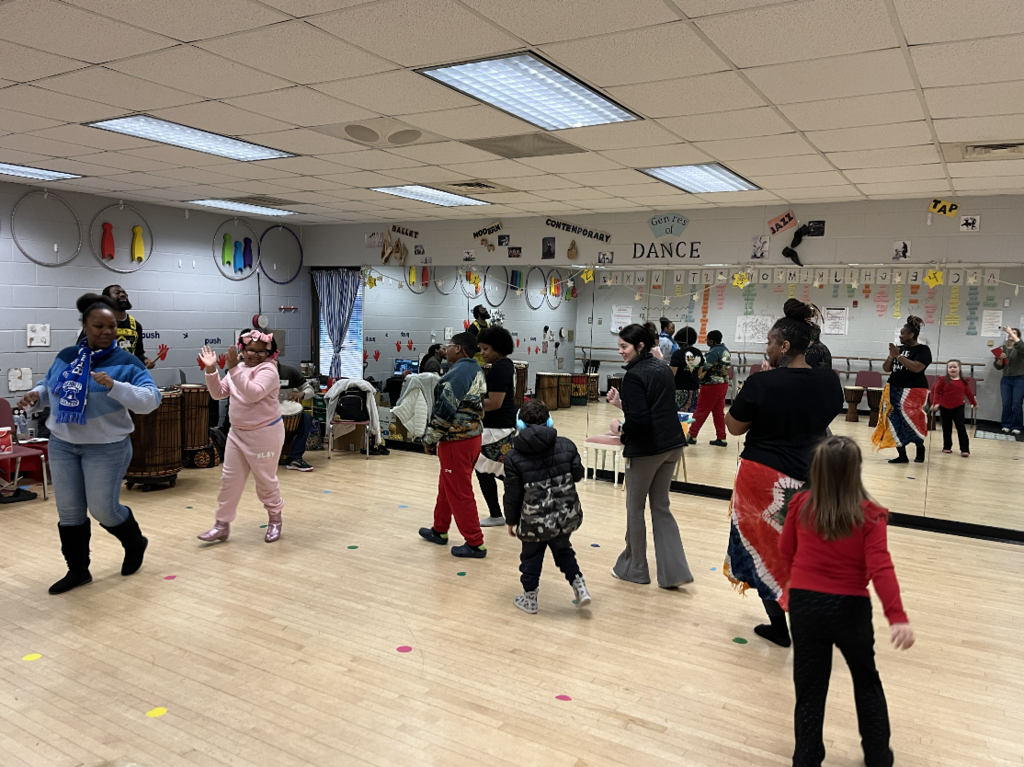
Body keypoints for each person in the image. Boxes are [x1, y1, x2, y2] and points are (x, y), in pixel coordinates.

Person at [780, 436, 914, 767]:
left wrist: (793, 583)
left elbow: (785, 551)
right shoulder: (871, 515)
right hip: (850, 609)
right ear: (857, 470)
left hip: (806, 606)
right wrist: (897, 616)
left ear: (817, 469)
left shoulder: (800, 504)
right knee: (866, 680)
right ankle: (878, 755)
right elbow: (880, 566)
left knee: (809, 688)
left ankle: (807, 757)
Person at [19, 293, 161, 594]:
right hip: (62, 443)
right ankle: (78, 570)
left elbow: (151, 400)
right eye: (99, 326)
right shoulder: (67, 355)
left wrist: (115, 386)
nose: (107, 332)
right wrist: (36, 395)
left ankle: (135, 542)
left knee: (103, 510)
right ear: (84, 326)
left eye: (112, 327)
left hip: (107, 447)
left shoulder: (127, 362)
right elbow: (49, 385)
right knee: (69, 513)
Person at [724, 299, 844, 647]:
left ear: (785, 346)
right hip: (811, 475)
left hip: (763, 479)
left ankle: (780, 627)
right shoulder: (829, 381)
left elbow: (734, 427)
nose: (768, 349)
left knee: (764, 550)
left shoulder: (762, 383)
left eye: (770, 343)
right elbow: (822, 419)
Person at [605, 324, 692, 588]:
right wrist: (622, 404)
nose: (620, 351)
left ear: (640, 346)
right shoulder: (661, 367)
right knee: (661, 507)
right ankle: (674, 573)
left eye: (624, 347)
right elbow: (655, 407)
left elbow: (640, 422)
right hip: (672, 445)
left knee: (635, 508)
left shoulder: (633, 376)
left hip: (647, 450)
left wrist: (621, 429)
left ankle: (636, 569)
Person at [197, 330, 285, 544]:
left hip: (264, 433)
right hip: (237, 434)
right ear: (242, 350)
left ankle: (275, 519)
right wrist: (211, 369)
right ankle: (221, 525)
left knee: (265, 481)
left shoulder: (269, 370)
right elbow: (218, 393)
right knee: (229, 481)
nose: (255, 355)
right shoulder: (238, 369)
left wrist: (233, 368)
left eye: (260, 351)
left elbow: (253, 393)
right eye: (250, 350)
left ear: (269, 353)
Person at [503, 399, 589, 614]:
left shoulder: (513, 457)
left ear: (520, 425)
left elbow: (513, 494)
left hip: (534, 521)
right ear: (550, 421)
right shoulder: (567, 445)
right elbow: (578, 474)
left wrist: (511, 520)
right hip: (565, 516)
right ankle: (579, 586)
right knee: (564, 551)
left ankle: (530, 599)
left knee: (531, 557)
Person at [418, 332, 489, 558]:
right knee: (446, 485)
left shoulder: (456, 375)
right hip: (472, 438)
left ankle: (475, 543)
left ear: (458, 348)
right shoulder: (475, 369)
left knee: (459, 491)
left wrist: (429, 439)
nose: (445, 350)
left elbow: (444, 412)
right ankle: (439, 530)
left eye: (448, 345)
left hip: (457, 441)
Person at [873, 316, 931, 464]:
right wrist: (891, 357)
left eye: (903, 333)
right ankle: (902, 455)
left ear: (911, 334)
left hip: (914, 390)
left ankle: (920, 448)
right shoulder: (899, 349)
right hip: (894, 388)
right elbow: (886, 369)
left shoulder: (923, 350)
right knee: (894, 421)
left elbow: (916, 368)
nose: (900, 336)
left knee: (913, 419)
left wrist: (898, 356)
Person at [476, 326, 517, 527]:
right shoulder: (503, 365)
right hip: (498, 427)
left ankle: (505, 513)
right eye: (481, 348)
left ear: (498, 348)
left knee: (493, 471)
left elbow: (494, 403)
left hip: (497, 429)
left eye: (486, 349)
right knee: (490, 470)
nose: (482, 353)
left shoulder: (501, 369)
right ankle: (500, 513)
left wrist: (468, 404)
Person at [77, 285, 155, 369]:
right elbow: (80, 350)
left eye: (124, 293)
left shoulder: (136, 325)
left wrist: (145, 360)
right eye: (117, 293)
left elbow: (138, 354)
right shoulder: (94, 325)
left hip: (126, 373)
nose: (122, 295)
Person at [688, 330, 731, 446]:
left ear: (712, 341)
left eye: (707, 339)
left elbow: (704, 366)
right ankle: (721, 438)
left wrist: (691, 364)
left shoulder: (714, 351)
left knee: (701, 410)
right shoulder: (725, 350)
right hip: (723, 384)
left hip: (712, 385)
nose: (706, 341)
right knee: (718, 412)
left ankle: (692, 435)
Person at [930, 359, 977, 456]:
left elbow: (969, 393)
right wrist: (935, 403)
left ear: (959, 368)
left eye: (954, 367)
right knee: (946, 427)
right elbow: (935, 391)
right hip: (944, 406)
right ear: (947, 369)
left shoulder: (964, 381)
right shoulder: (942, 380)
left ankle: (965, 449)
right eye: (950, 367)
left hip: (958, 407)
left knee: (960, 427)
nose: (952, 369)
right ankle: (947, 446)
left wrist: (974, 403)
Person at [278, 362, 316, 472]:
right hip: (264, 412)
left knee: (306, 418)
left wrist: (301, 394)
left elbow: (309, 389)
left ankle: (295, 457)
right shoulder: (255, 372)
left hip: (286, 410)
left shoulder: (289, 372)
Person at [994, 326, 1024, 435]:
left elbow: (1021, 346)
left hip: (1020, 379)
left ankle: (1017, 426)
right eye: (1010, 333)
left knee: (1017, 403)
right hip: (1006, 379)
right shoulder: (1002, 349)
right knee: (1006, 403)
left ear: (1018, 336)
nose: (1011, 334)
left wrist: (1010, 331)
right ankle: (1006, 424)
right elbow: (998, 367)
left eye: (1014, 333)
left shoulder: (1020, 348)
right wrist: (1000, 359)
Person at [670, 326, 703, 413]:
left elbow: (671, 374)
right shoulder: (698, 353)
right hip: (694, 389)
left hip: (679, 389)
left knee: (677, 415)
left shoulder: (678, 354)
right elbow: (699, 373)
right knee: (690, 415)